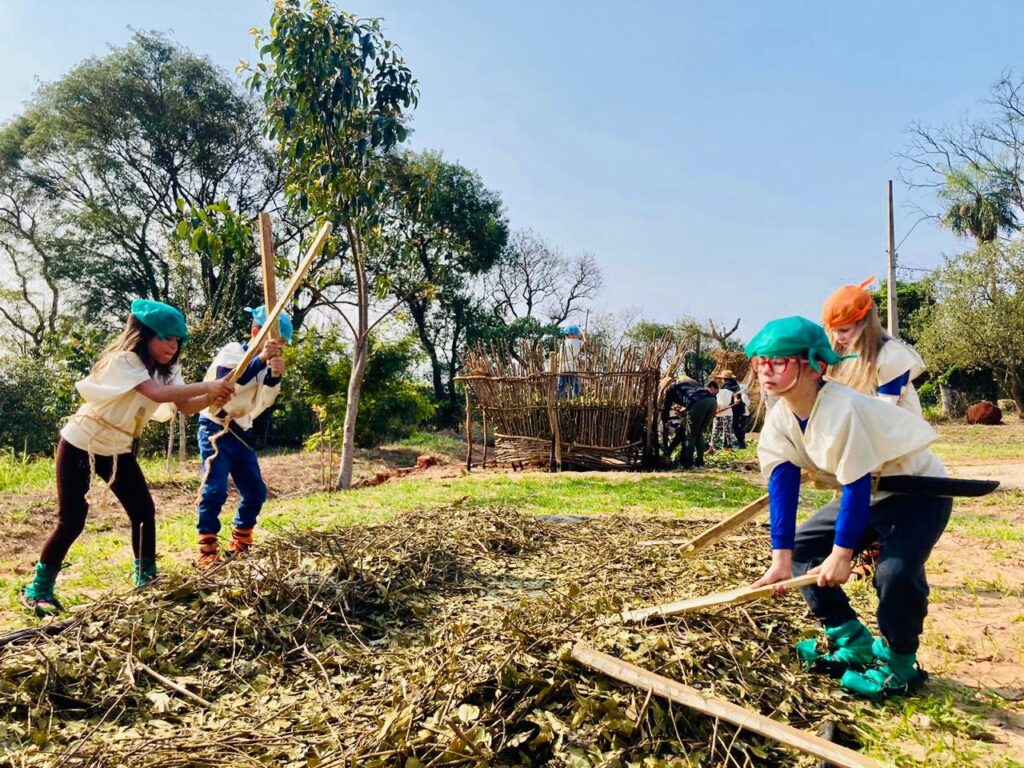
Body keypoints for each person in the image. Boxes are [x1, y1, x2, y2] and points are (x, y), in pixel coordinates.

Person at [746, 316, 951, 697]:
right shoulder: (780, 419)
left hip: (916, 494)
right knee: (806, 548)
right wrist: (781, 560)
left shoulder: (840, 408)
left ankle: (899, 662)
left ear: (814, 365)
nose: (766, 371)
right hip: (869, 495)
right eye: (761, 362)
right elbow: (783, 485)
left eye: (779, 361)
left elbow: (855, 482)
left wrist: (842, 554)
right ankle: (851, 641)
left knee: (896, 573)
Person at [21, 300, 235, 616]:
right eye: (166, 338)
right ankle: (38, 589)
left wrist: (211, 397)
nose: (173, 347)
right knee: (73, 519)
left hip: (118, 449)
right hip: (82, 442)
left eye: (177, 341)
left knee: (144, 512)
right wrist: (209, 385)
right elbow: (157, 395)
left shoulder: (169, 370)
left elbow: (184, 406)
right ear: (145, 335)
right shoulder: (124, 361)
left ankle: (146, 582)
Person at [195, 306, 291, 568]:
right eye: (276, 340)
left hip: (241, 432)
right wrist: (259, 360)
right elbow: (226, 383)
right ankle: (207, 547)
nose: (278, 346)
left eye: (282, 343)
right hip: (215, 427)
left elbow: (264, 400)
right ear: (255, 332)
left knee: (255, 491)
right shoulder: (233, 352)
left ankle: (241, 539)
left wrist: (273, 375)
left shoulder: (267, 363)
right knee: (214, 489)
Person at [822, 277, 926, 415]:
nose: (837, 337)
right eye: (833, 331)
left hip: (895, 430)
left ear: (865, 324)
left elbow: (886, 409)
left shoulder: (891, 356)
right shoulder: (839, 353)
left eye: (844, 330)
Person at [660, 376, 717, 468]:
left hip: (698, 403)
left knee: (691, 434)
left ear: (666, 385)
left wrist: (664, 419)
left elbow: (666, 408)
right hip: (712, 401)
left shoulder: (671, 389)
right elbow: (694, 396)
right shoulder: (691, 382)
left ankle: (688, 463)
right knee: (699, 433)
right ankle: (700, 461)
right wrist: (687, 409)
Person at [720, 369, 749, 448]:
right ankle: (739, 443)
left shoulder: (726, 386)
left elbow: (728, 397)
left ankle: (734, 444)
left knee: (731, 426)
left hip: (733, 408)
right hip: (738, 408)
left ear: (724, 379)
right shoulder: (735, 384)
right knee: (734, 426)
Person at [556, 325, 585, 399]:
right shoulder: (577, 342)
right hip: (572, 368)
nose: (576, 335)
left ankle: (557, 399)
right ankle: (576, 400)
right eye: (575, 334)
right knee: (575, 386)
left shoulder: (563, 344)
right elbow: (586, 344)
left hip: (563, 369)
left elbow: (559, 356)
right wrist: (584, 336)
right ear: (571, 334)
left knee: (560, 386)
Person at [708, 380, 734, 451]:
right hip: (718, 414)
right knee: (715, 430)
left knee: (727, 431)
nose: (710, 391)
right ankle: (712, 447)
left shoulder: (725, 391)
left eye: (710, 389)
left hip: (727, 414)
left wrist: (736, 400)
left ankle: (730, 447)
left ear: (713, 387)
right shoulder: (715, 395)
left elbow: (733, 395)